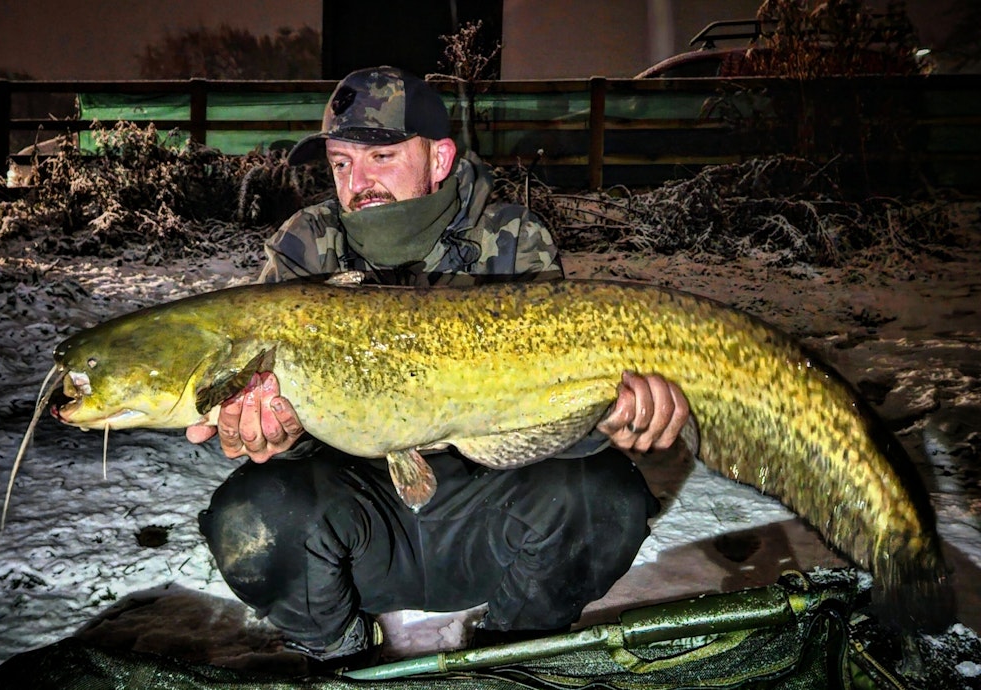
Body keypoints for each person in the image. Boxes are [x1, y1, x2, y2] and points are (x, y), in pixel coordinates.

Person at [188, 66, 689, 669]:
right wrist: (280, 435)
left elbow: (552, 415)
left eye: (382, 157)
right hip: (363, 522)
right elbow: (290, 429)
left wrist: (608, 417)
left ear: (440, 157)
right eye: (342, 163)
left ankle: (508, 652)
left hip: (486, 518)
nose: (357, 184)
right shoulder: (305, 244)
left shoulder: (510, 238)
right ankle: (340, 649)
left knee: (604, 497)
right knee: (249, 518)